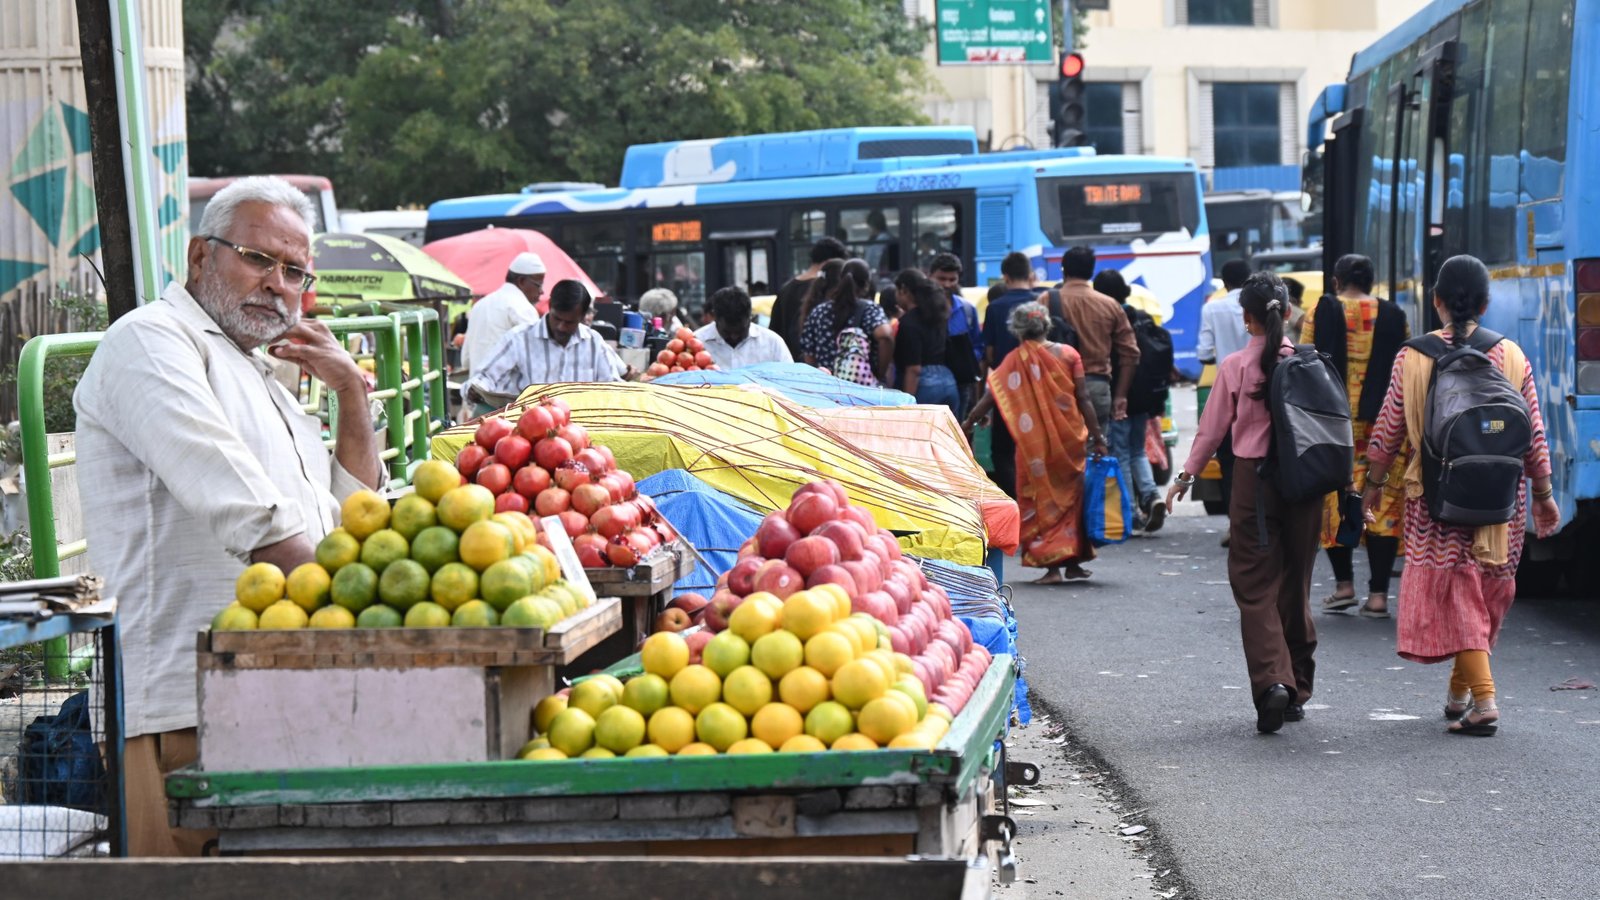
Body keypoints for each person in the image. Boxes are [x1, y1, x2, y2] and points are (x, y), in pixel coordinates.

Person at [73, 176, 383, 855]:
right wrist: (378, 624)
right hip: (187, 706)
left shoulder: (258, 371)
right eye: (258, 258)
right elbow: (251, 515)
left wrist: (353, 399)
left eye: (295, 271)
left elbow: (352, 517)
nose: (278, 283)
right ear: (199, 257)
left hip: (282, 691)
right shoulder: (151, 344)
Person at [1363, 255, 1558, 737]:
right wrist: (1544, 494)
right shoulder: (1512, 356)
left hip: (1436, 499)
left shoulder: (1413, 358)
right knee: (1481, 595)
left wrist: (1371, 486)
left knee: (1457, 595)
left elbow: (1388, 432)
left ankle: (1485, 701)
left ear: (1437, 302)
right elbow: (1532, 434)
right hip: (1501, 504)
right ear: (1487, 304)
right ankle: (1459, 696)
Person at [1165, 273, 1319, 734]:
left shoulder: (1235, 367)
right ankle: (1298, 687)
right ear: (1288, 313)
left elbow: (1211, 433)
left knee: (1255, 586)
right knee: (1297, 582)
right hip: (1306, 484)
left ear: (1247, 318)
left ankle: (1274, 681)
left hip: (1254, 482)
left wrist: (1184, 477)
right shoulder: (1310, 365)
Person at [962, 304, 1107, 583]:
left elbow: (991, 397)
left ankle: (1053, 567)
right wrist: (1098, 436)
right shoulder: (1069, 354)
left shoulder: (1016, 360)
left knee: (1042, 499)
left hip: (1034, 449)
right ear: (1047, 325)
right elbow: (1084, 399)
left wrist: (970, 421)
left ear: (1017, 331)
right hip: (1070, 441)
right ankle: (1073, 562)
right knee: (1071, 500)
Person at [1303, 254, 1408, 618]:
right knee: (1383, 504)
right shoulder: (1394, 315)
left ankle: (1344, 585)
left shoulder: (1323, 311)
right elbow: (1405, 367)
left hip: (1333, 426)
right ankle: (1378, 596)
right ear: (1371, 281)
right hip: (1385, 427)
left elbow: (1303, 361)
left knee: (1334, 501)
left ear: (1336, 281)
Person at [466, 280, 630, 411]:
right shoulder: (519, 338)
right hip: (530, 428)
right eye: (557, 319)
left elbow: (611, 387)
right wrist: (476, 389)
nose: (561, 327)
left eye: (569, 322)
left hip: (581, 430)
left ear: (582, 316)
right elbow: (486, 377)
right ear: (550, 308)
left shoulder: (593, 342)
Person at [1093, 269, 1164, 533]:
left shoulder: (1106, 317)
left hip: (1119, 392)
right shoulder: (1141, 317)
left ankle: (1130, 511)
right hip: (1143, 394)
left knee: (1120, 452)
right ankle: (1152, 495)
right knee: (1137, 451)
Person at [1053, 247, 1140, 428]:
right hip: (1097, 386)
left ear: (1063, 270)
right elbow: (1131, 353)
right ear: (1091, 271)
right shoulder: (1110, 305)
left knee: (1060, 449)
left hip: (1057, 386)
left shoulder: (1046, 301)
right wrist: (1121, 395)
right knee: (1096, 447)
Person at [1197, 258, 1255, 530]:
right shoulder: (1261, 305)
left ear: (1223, 281)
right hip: (1263, 391)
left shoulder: (1213, 308)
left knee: (1231, 460)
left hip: (1230, 394)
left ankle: (1237, 524)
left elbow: (1204, 353)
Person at [980, 252, 1043, 499]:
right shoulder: (1041, 302)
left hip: (1006, 390)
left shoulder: (995, 308)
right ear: (1029, 275)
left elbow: (989, 354)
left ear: (1005, 277)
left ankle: (1015, 503)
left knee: (1003, 450)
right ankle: (1036, 501)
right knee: (1034, 448)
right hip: (1040, 387)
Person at [800, 258, 892, 383]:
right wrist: (880, 373)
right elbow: (886, 336)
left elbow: (808, 353)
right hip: (861, 388)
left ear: (840, 280)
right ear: (866, 284)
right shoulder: (869, 310)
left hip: (827, 388)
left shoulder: (818, 312)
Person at [462, 252, 543, 377]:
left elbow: (466, 360)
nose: (541, 291)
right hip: (504, 394)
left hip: (476, 390)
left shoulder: (480, 305)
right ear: (521, 281)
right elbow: (535, 360)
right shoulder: (523, 308)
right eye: (539, 284)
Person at [892, 269, 959, 417]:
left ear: (903, 290)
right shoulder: (939, 315)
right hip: (949, 382)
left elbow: (914, 369)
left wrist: (906, 408)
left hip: (924, 385)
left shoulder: (908, 322)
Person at [771, 237, 847, 360]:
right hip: (813, 368)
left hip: (786, 366)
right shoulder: (826, 289)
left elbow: (774, 330)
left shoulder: (785, 289)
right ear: (828, 264)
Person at [929, 253, 984, 417]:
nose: (946, 284)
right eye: (941, 278)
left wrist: (964, 359)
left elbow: (978, 345)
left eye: (952, 279)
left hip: (960, 383)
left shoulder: (967, 309)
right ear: (930, 276)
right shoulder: (919, 309)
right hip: (929, 383)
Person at [695, 286, 793, 369]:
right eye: (727, 332)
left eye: (740, 331)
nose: (734, 337)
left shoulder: (772, 343)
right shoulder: (696, 342)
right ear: (714, 317)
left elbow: (789, 378)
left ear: (750, 317)